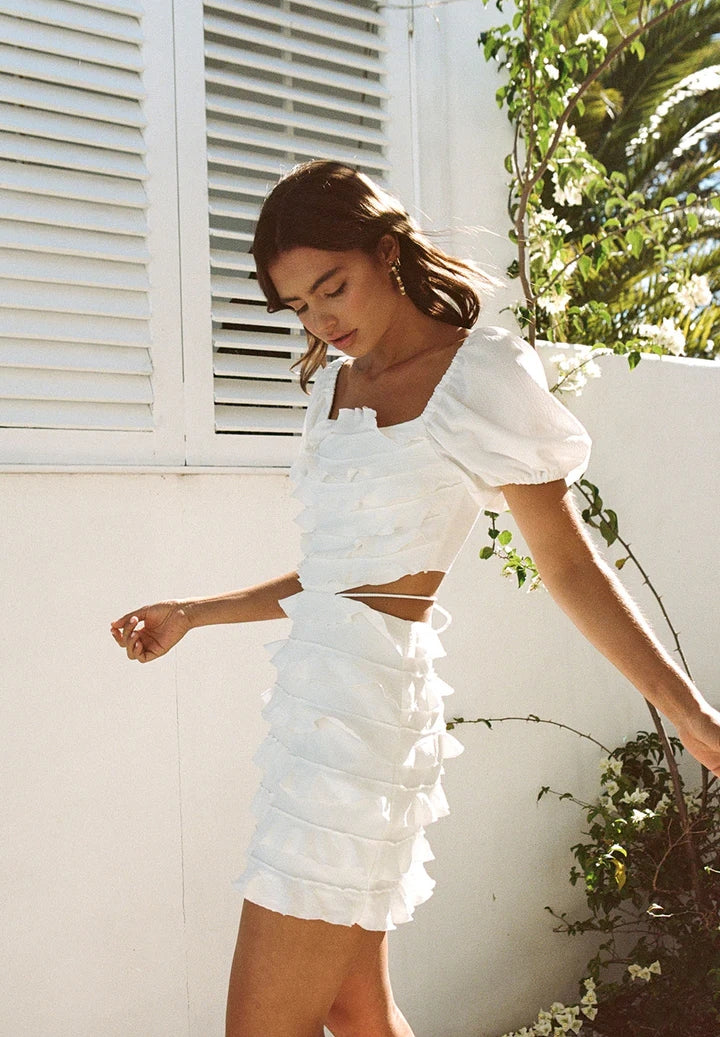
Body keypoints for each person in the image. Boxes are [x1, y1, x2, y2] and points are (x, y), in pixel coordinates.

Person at [111, 160, 720, 1037]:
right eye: (301, 307)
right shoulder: (333, 386)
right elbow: (339, 579)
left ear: (386, 251)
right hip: (315, 714)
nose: (324, 322)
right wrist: (196, 611)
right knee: (361, 1013)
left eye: (335, 287)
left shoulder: (477, 379)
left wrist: (688, 708)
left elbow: (570, 566)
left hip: (365, 726)